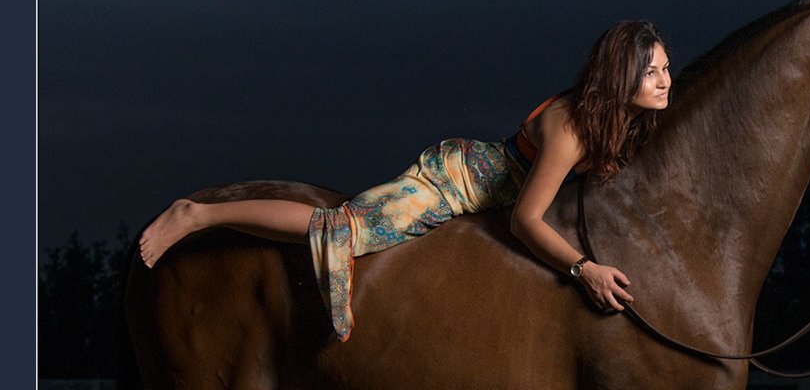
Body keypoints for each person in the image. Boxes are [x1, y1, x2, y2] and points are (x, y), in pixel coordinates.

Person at [138, 19, 674, 341]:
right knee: (344, 227)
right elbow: (525, 219)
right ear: (620, 73)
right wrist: (584, 270)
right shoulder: (573, 129)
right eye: (650, 72)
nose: (664, 81)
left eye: (666, 69)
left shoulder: (617, 118)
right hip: (452, 182)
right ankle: (198, 214)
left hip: (488, 182)